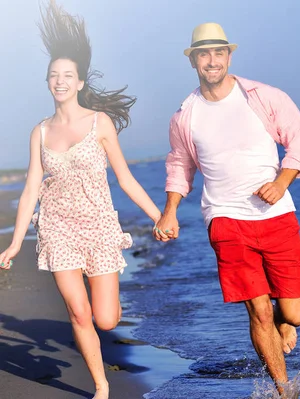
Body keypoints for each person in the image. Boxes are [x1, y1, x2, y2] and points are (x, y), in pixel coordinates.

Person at [0, 2, 162, 398]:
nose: (59, 81)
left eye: (67, 75)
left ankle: (109, 304)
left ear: (80, 82)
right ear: (48, 82)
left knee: (106, 319)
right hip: (57, 230)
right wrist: (16, 242)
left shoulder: (99, 123)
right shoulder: (39, 132)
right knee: (78, 311)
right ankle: (101, 386)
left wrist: (160, 216)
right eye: (54, 75)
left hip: (100, 227)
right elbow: (31, 191)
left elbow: (124, 178)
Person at [154, 22, 300, 395]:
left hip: (276, 216)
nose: (212, 61)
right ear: (193, 60)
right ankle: (283, 389)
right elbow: (180, 165)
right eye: (204, 54)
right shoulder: (185, 116)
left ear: (229, 56)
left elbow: (299, 140)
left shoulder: (263, 96)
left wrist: (281, 182)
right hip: (225, 219)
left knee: (292, 314)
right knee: (258, 311)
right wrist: (170, 211)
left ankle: (283, 322)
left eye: (219, 53)